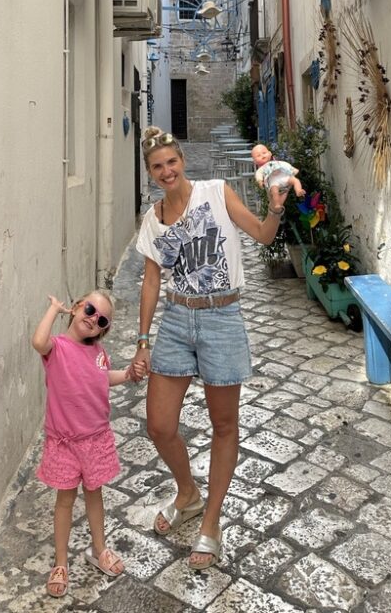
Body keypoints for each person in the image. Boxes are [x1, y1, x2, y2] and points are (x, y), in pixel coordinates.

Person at [133, 127, 290, 570]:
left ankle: (211, 521)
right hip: (176, 319)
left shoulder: (216, 192)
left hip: (222, 317)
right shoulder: (153, 220)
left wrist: (275, 208)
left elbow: (262, 235)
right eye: (157, 166)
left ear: (182, 161)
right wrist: (142, 340)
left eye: (171, 162)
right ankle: (187, 493)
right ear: (150, 173)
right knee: (159, 425)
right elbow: (151, 281)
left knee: (224, 425)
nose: (166, 171)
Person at [32, 290, 145, 598]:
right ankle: (60, 562)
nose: (94, 319)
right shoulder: (57, 347)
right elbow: (38, 342)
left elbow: (102, 378)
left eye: (102, 320)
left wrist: (127, 374)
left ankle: (99, 548)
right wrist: (53, 309)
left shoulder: (98, 353)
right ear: (77, 307)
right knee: (65, 501)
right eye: (91, 310)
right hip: (65, 442)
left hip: (95, 439)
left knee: (95, 496)